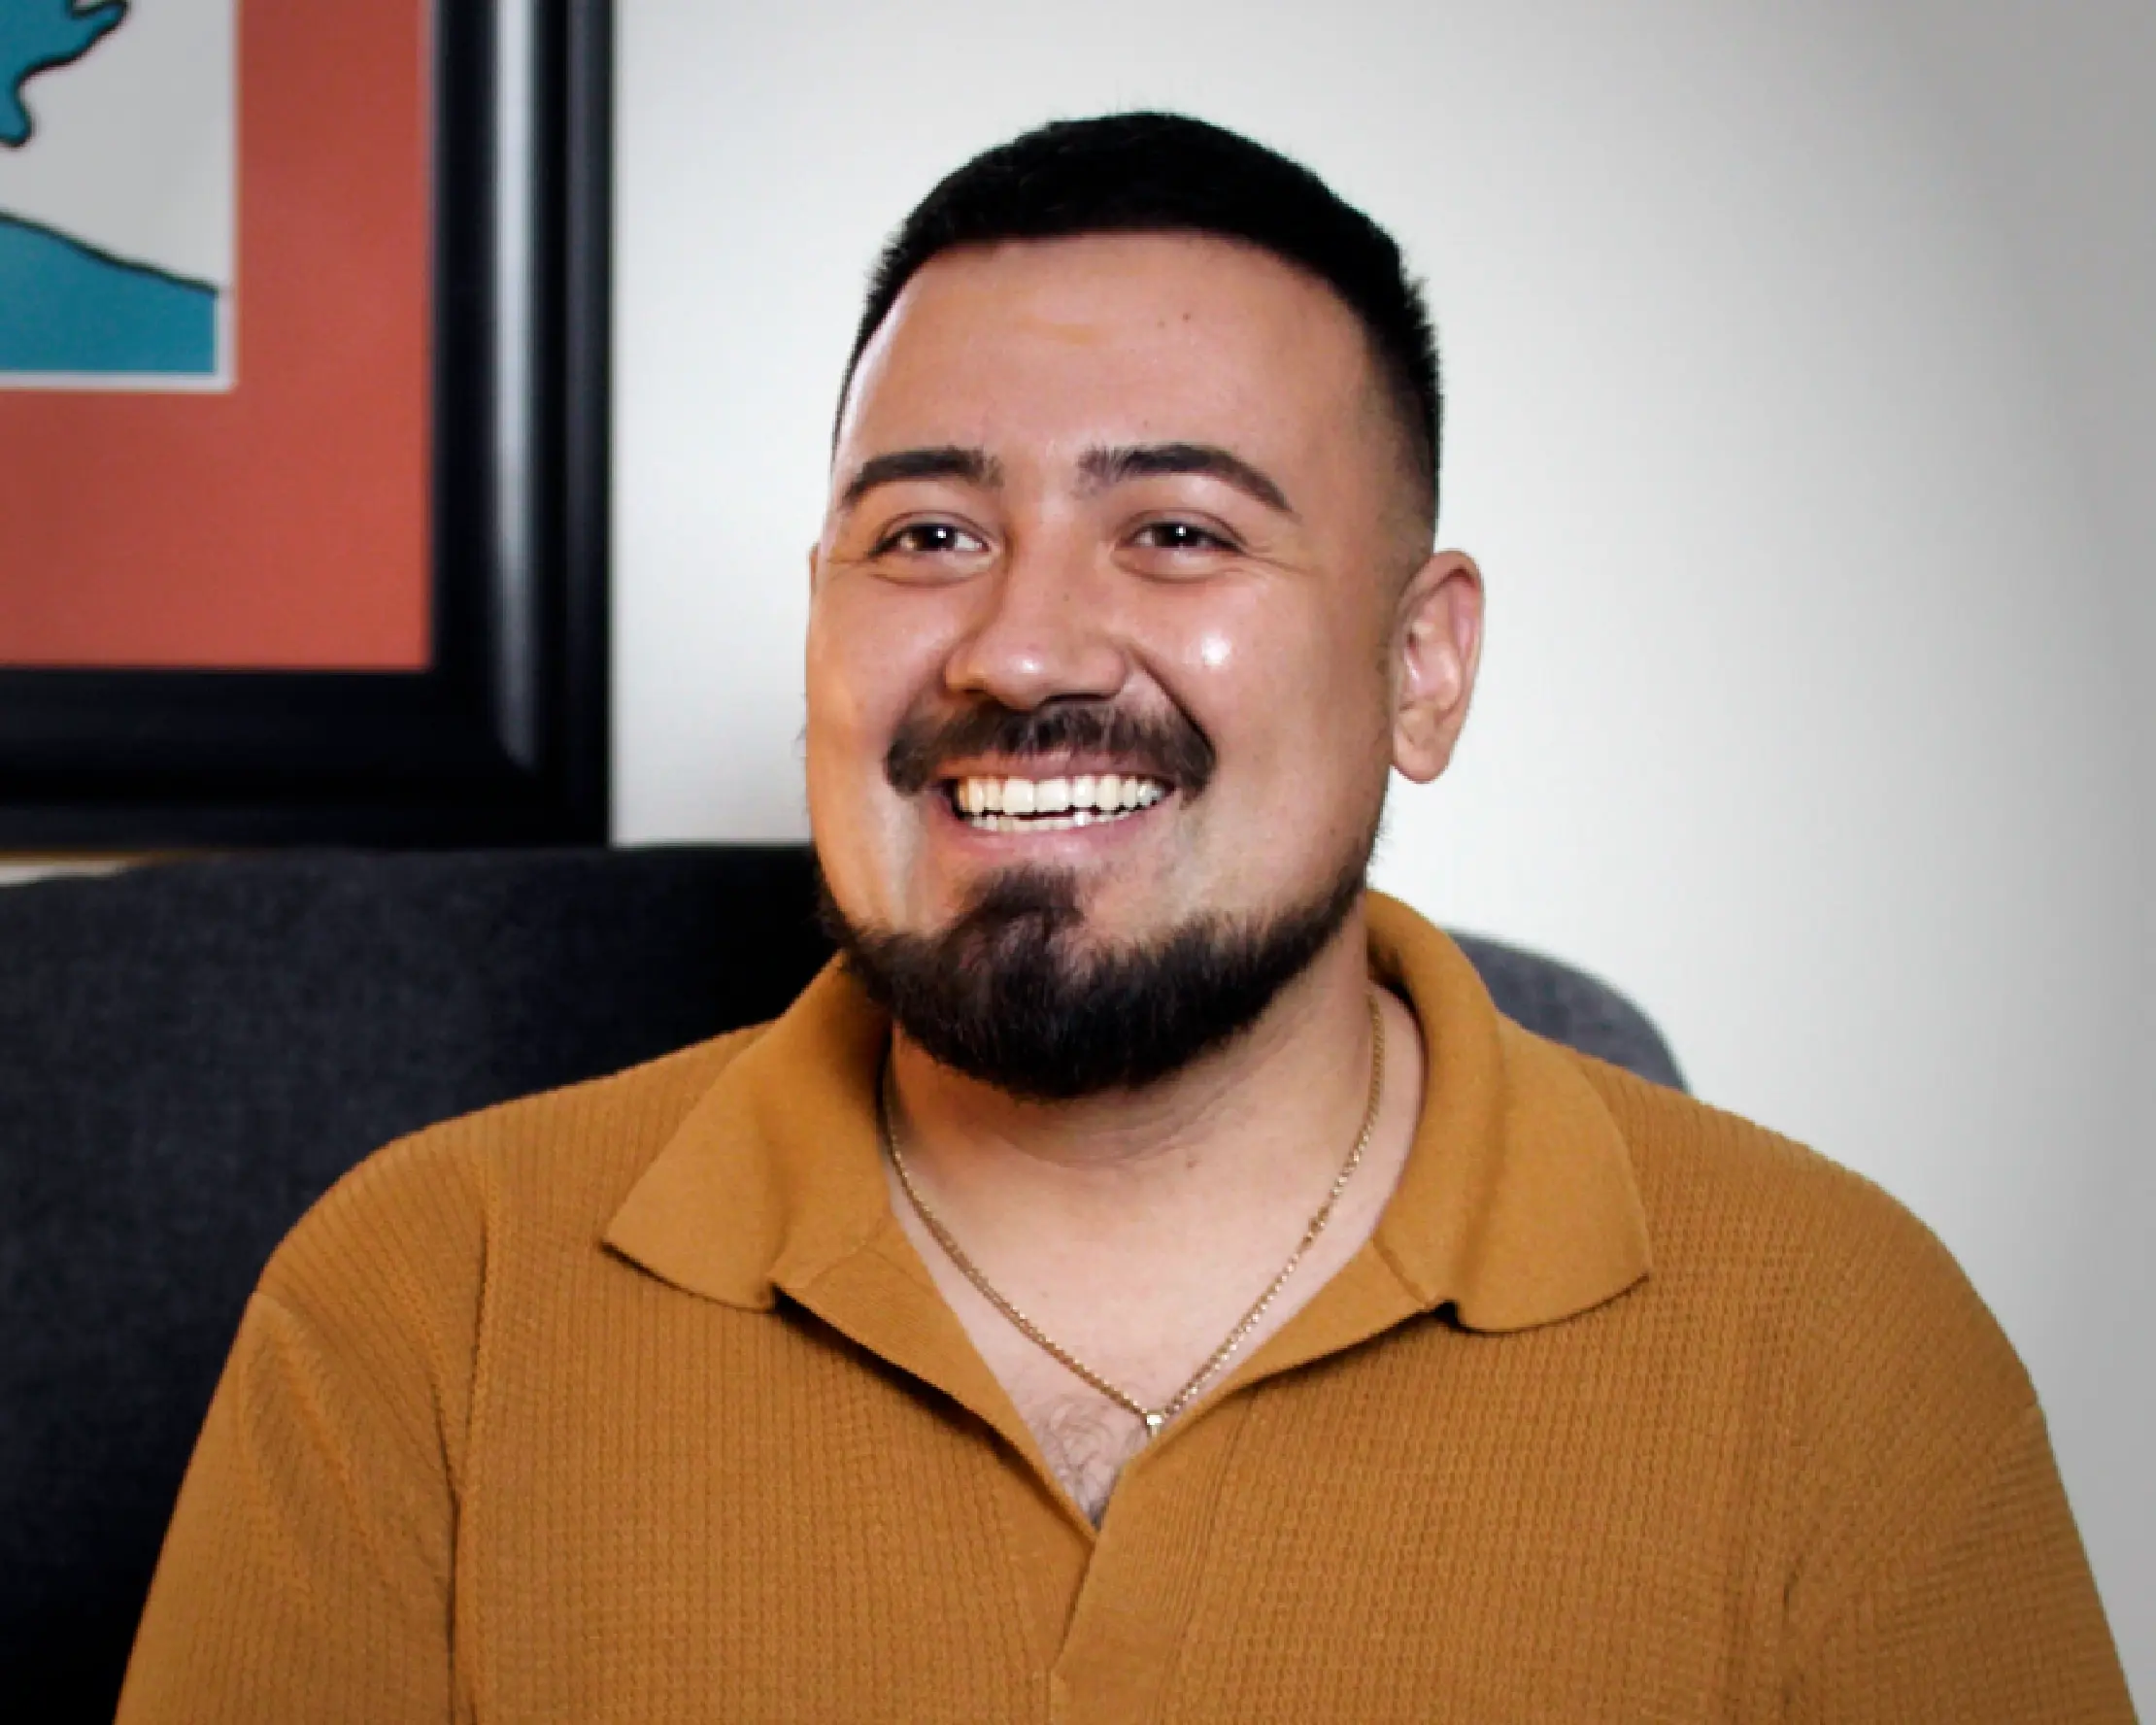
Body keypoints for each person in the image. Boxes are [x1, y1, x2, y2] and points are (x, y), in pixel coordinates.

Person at [117, 113, 2132, 1721]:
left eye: (1176, 530)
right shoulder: (424, 1306)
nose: (1020, 646)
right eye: (928, 535)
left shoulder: (1839, 1344)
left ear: (1422, 668)